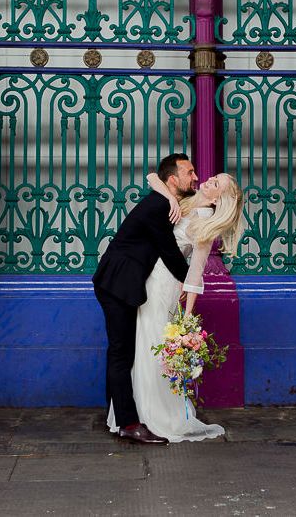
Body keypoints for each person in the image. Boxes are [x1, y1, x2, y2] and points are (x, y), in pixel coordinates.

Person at [113, 169, 245, 443]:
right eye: (213, 177)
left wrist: (187, 319)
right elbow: (152, 177)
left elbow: (194, 274)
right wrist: (170, 199)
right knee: (139, 344)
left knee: (152, 346)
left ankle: (155, 416)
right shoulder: (184, 200)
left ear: (220, 197)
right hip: (145, 275)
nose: (209, 180)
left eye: (216, 183)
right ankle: (133, 414)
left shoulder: (206, 222)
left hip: (164, 284)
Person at [92, 153, 201, 444]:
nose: (195, 177)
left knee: (119, 350)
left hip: (119, 281)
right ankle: (128, 423)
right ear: (173, 180)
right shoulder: (160, 205)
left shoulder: (163, 201)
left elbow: (155, 179)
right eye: (189, 172)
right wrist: (193, 281)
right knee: (121, 352)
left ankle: (115, 414)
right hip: (118, 283)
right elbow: (170, 252)